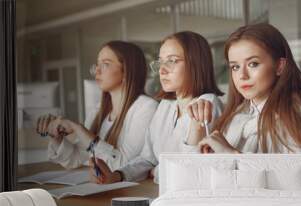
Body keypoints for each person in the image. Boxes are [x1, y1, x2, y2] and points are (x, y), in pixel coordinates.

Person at [91, 31, 224, 184]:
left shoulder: (207, 104)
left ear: (196, 63)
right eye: (160, 62)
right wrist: (118, 175)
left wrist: (156, 171)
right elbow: (148, 159)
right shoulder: (166, 106)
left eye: (172, 61)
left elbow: (189, 171)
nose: (162, 70)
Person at [196, 23, 301, 171]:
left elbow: (299, 177)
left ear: (279, 66)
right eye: (235, 67)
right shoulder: (238, 114)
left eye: (253, 64)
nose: (242, 76)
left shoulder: (296, 105)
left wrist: (231, 154)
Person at [36, 41, 158, 172]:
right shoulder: (98, 110)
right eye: (97, 65)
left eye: (105, 64)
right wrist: (57, 138)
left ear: (127, 71)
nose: (97, 71)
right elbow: (77, 159)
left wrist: (78, 129)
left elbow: (124, 165)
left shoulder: (146, 108)